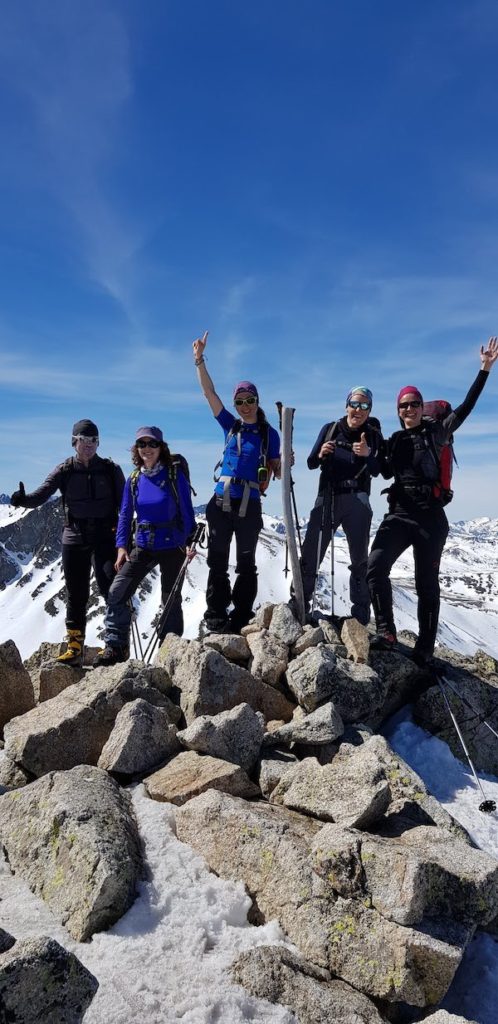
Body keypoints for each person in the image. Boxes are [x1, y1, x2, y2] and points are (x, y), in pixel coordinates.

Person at [367, 338, 498, 665]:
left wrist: (484, 369)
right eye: (403, 406)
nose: (408, 409)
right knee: (375, 566)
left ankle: (424, 648)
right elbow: (381, 472)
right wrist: (366, 454)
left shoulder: (437, 431)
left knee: (426, 584)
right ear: (397, 411)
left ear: (421, 407)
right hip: (398, 515)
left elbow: (466, 407)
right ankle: (386, 631)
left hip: (430, 519)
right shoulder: (394, 441)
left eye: (413, 404)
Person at [10, 419, 125, 666]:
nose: (88, 445)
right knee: (76, 592)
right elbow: (42, 494)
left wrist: (127, 537)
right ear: (74, 442)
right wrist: (22, 500)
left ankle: (116, 645)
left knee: (110, 588)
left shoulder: (110, 469)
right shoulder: (65, 470)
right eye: (83, 440)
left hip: (105, 537)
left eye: (93, 440)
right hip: (74, 537)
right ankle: (75, 647)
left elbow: (126, 504)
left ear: (98, 443)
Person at [192, 331, 281, 633]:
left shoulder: (270, 434)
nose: (244, 405)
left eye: (249, 400)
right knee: (217, 560)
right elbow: (209, 394)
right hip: (221, 502)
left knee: (246, 563)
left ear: (258, 401)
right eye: (240, 401)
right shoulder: (231, 426)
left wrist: (284, 463)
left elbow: (276, 470)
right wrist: (199, 361)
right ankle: (216, 613)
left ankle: (241, 614)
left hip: (250, 505)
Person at [94, 426, 197, 666]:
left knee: (170, 599)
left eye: (152, 444)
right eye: (142, 444)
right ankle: (116, 647)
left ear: (161, 448)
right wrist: (121, 547)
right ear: (136, 449)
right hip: (143, 544)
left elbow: (187, 512)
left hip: (173, 545)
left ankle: (168, 652)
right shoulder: (134, 479)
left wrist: (187, 542)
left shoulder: (173, 475)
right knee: (117, 591)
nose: (147, 449)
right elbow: (125, 515)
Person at [294, 387, 384, 624]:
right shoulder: (330, 429)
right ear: (346, 406)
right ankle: (299, 606)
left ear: (369, 410)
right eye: (355, 404)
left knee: (359, 559)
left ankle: (360, 616)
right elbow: (311, 462)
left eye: (364, 406)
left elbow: (381, 471)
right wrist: (322, 453)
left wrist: (368, 454)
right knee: (312, 552)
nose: (358, 410)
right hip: (328, 496)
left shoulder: (373, 435)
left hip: (358, 498)